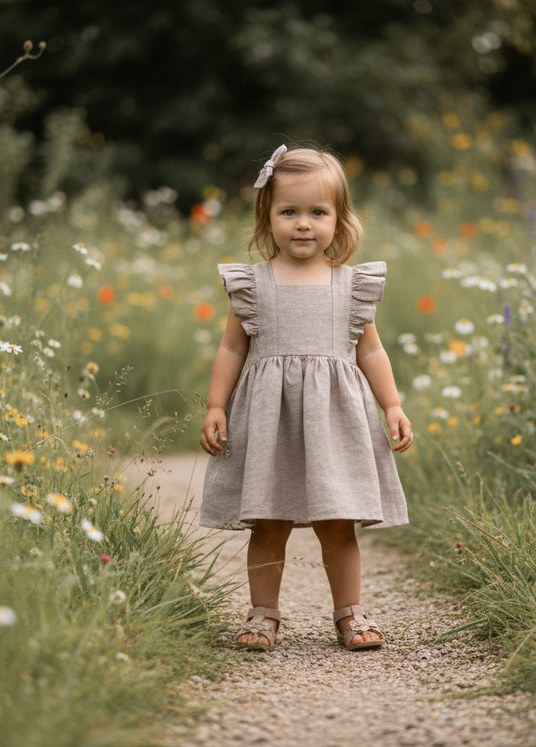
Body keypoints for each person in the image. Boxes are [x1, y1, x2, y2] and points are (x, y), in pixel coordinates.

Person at [199, 144, 413, 652]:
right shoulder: (253, 284)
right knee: (268, 523)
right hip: (269, 423)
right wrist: (214, 405)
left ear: (338, 220)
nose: (302, 224)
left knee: (338, 523)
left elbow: (373, 352)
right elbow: (232, 347)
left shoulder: (350, 285)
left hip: (334, 421)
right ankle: (262, 615)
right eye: (288, 212)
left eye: (318, 212)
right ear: (266, 217)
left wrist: (393, 405)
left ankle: (350, 613)